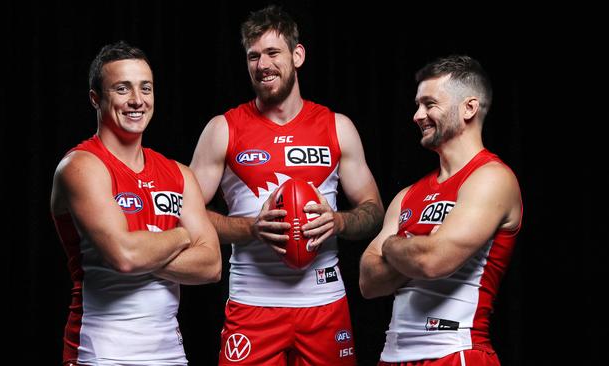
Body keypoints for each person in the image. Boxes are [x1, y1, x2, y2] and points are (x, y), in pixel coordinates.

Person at [189, 5, 384, 366]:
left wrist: (337, 221)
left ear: (297, 55)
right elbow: (188, 216)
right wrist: (251, 228)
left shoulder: (337, 126)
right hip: (252, 305)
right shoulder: (223, 128)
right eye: (253, 56)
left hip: (324, 305)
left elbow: (374, 211)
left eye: (272, 52)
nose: (262, 65)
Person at [50, 41, 221, 366]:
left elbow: (211, 265)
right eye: (122, 89)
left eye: (146, 88)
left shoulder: (179, 174)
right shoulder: (81, 167)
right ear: (95, 99)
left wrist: (141, 245)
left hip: (169, 355)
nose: (137, 101)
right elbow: (124, 256)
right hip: (99, 353)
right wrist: (184, 237)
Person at [359, 54, 523, 365]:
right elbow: (368, 281)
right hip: (392, 356)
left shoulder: (492, 178)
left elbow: (433, 260)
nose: (417, 115)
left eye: (429, 104)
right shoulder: (407, 195)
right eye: (417, 105)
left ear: (469, 108)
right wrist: (416, 249)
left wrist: (395, 244)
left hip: (455, 351)